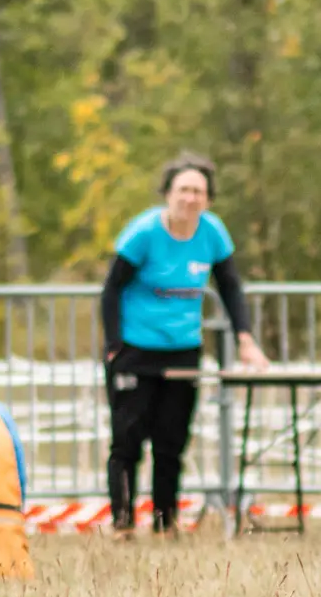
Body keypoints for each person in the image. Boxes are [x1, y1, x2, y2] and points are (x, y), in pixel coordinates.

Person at [99, 151, 270, 539]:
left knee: (170, 441)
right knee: (127, 441)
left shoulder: (212, 232)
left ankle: (164, 521)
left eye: (198, 191)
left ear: (208, 198)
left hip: (183, 350)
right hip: (135, 349)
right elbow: (111, 291)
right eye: (183, 190)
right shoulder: (143, 233)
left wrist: (246, 339)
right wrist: (113, 345)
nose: (190, 198)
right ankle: (122, 522)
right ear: (168, 193)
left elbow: (230, 287)